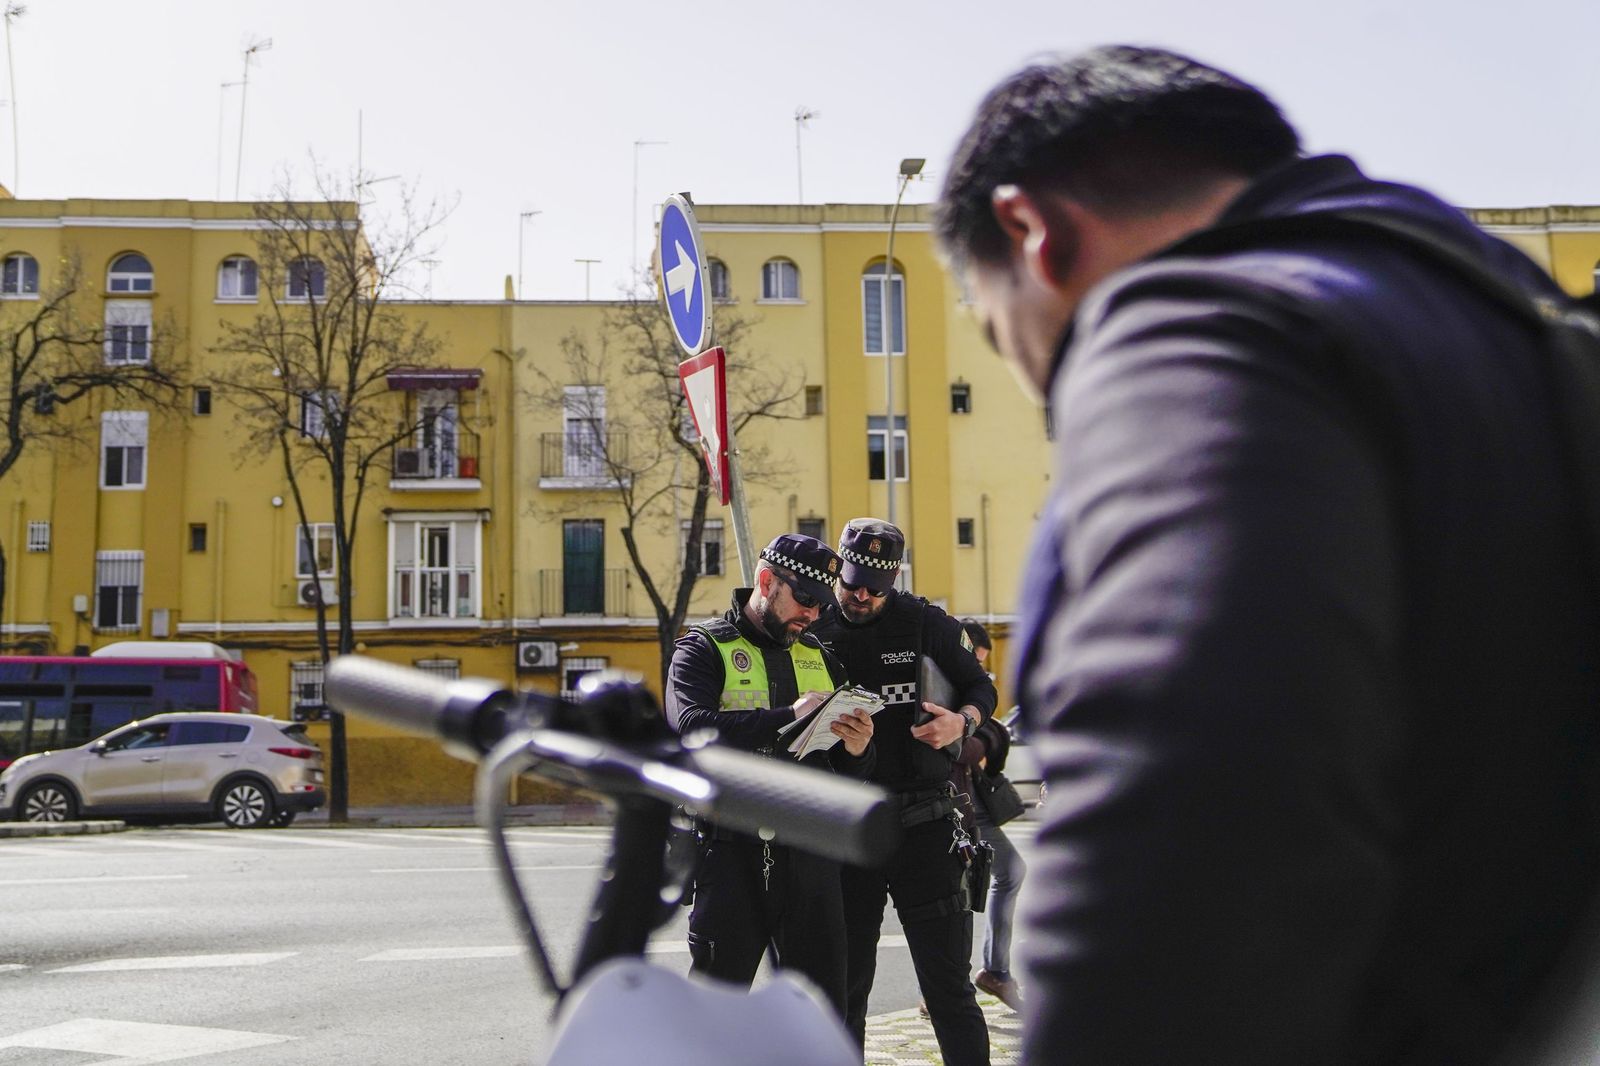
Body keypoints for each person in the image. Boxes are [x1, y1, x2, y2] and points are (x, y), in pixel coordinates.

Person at [935, 44, 1600, 1065]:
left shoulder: (1194, 329)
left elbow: (1184, 840)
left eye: (998, 331)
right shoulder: (1516, 324)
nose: (1037, 386)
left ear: (1031, 233)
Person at [664, 533, 876, 1019]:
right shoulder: (703, 649)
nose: (814, 614)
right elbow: (691, 730)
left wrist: (860, 748)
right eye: (804, 599)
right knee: (716, 1012)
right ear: (766, 581)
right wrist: (786, 716)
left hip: (811, 856)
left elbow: (847, 772)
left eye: (823, 603)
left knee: (821, 1015)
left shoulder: (821, 656)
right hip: (732, 851)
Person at [811, 518, 997, 1065]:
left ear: (894, 579)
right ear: (837, 572)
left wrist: (961, 722)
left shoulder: (925, 622)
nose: (863, 595)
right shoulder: (814, 623)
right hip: (848, 830)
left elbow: (981, 685)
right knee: (844, 989)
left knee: (948, 991)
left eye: (877, 586)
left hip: (925, 824)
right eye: (852, 583)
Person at [956, 621, 1026, 1013]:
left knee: (1001, 875)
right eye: (977, 664)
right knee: (963, 891)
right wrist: (985, 737)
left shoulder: (968, 686)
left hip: (968, 796)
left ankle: (987, 972)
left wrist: (988, 736)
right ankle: (967, 978)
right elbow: (957, 748)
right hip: (952, 800)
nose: (980, 674)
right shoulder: (939, 678)